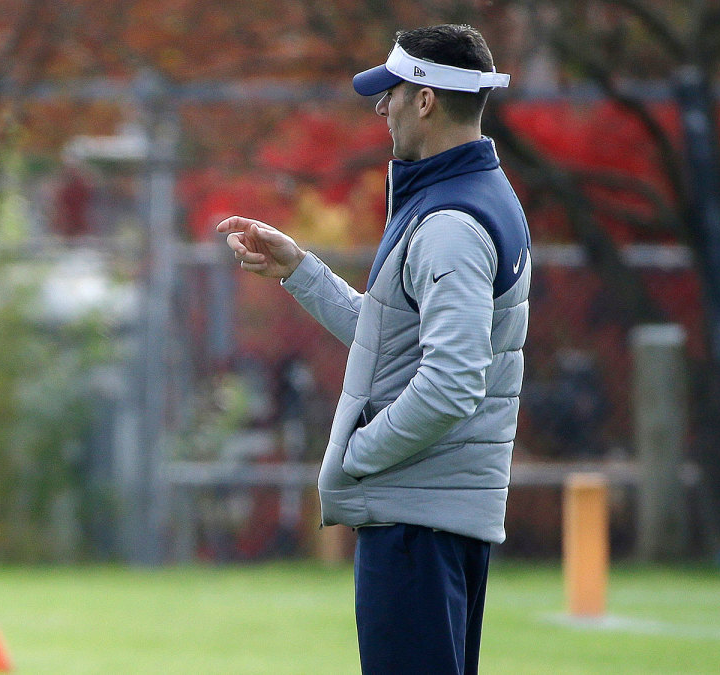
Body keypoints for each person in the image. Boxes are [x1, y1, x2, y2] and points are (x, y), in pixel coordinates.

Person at [218, 24, 530, 675]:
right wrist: (300, 270)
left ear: (425, 99)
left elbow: (450, 383)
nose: (379, 105)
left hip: (418, 518)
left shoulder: (450, 224)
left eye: (390, 90)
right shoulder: (462, 198)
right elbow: (396, 343)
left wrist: (361, 452)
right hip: (434, 515)